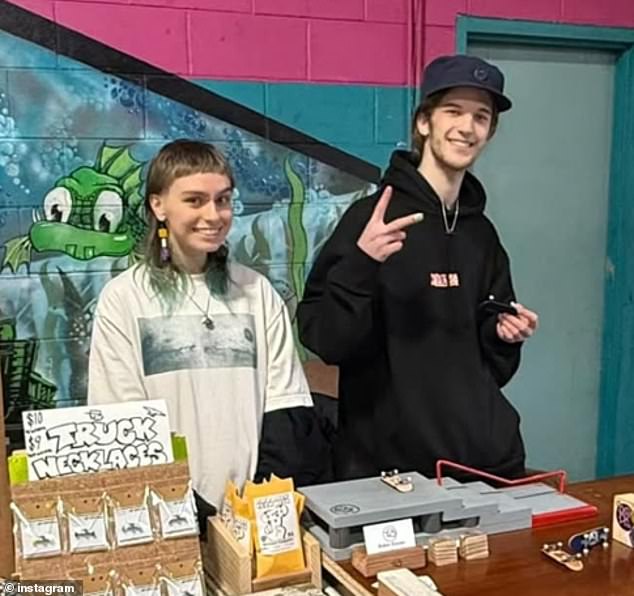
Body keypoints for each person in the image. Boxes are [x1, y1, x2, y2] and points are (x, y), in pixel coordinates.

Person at [297, 55, 539, 482]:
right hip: (389, 474)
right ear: (424, 122)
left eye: (480, 117)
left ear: (489, 132)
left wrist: (503, 336)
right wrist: (362, 264)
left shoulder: (481, 233)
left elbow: (491, 367)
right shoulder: (371, 220)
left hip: (480, 465)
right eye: (453, 111)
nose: (467, 127)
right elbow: (325, 339)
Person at [88, 139, 328, 515]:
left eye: (223, 199)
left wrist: (255, 506)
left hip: (251, 513)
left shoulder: (256, 291)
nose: (213, 215)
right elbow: (123, 422)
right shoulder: (124, 299)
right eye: (195, 200)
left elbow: (285, 406)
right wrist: (188, 511)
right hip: (169, 514)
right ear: (158, 205)